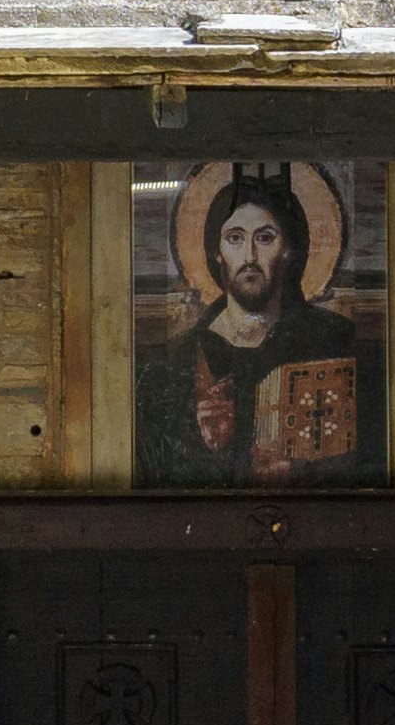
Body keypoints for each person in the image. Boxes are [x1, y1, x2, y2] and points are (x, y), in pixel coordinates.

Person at [137, 166, 382, 486]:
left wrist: (300, 471)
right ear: (217, 252)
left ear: (288, 251)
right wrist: (211, 447)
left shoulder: (332, 340)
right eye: (235, 238)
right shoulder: (182, 358)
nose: (249, 256)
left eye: (265, 238)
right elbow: (158, 472)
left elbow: (367, 459)